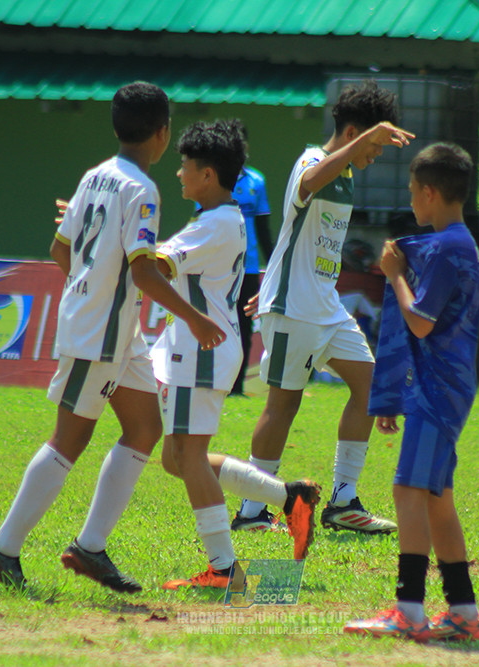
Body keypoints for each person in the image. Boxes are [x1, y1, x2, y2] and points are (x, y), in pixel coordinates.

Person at [0, 81, 226, 592]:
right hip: (101, 335)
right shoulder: (142, 190)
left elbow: (59, 250)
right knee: (69, 439)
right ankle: (4, 548)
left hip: (114, 332)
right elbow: (146, 273)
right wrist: (194, 318)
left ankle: (90, 549)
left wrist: (90, 287)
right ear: (162, 133)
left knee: (144, 429)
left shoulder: (96, 176)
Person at [232, 80, 413, 535]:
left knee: (369, 386)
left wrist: (269, 283)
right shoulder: (313, 161)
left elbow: (297, 234)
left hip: (323, 306)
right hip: (295, 308)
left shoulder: (345, 173)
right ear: (353, 131)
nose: (376, 155)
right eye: (373, 143)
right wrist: (276, 291)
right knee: (282, 405)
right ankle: (252, 512)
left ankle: (343, 501)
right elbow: (309, 186)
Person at [152, 119, 320, 590]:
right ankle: (289, 498)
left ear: (208, 174)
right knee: (177, 458)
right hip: (205, 350)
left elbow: (156, 266)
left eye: (185, 167)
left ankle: (224, 569)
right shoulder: (222, 219)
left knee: (187, 457)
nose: (179, 174)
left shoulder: (213, 224)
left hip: (199, 352)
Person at [344, 143, 479, 642]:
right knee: (435, 498)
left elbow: (421, 323)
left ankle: (408, 609)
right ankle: (465, 614)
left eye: (411, 191)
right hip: (439, 389)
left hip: (438, 391)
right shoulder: (459, 242)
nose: (411, 200)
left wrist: (396, 274)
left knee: (407, 489)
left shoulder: (448, 247)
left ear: (429, 192)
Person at [227, 121, 273, 396]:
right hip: (219, 268)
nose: (241, 148)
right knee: (221, 325)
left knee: (244, 328)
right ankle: (215, 383)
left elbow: (264, 230)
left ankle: (236, 388)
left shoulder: (257, 181)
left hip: (249, 267)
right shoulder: (214, 178)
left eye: (243, 143)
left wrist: (275, 267)